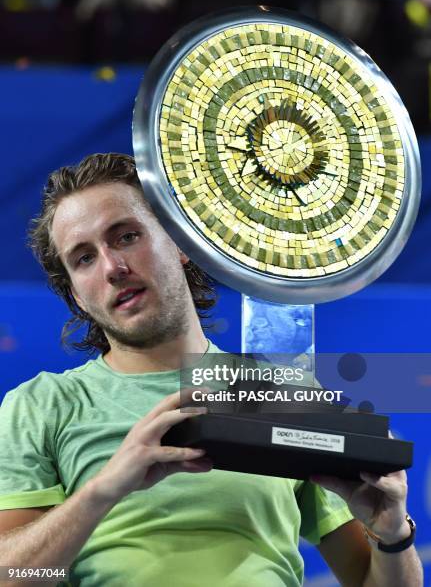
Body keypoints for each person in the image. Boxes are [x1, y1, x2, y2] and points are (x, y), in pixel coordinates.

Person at [0, 153, 423, 587]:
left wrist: (392, 534)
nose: (113, 268)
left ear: (181, 242)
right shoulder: (41, 406)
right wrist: (104, 489)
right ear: (77, 295)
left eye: (126, 236)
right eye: (84, 259)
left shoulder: (277, 393)